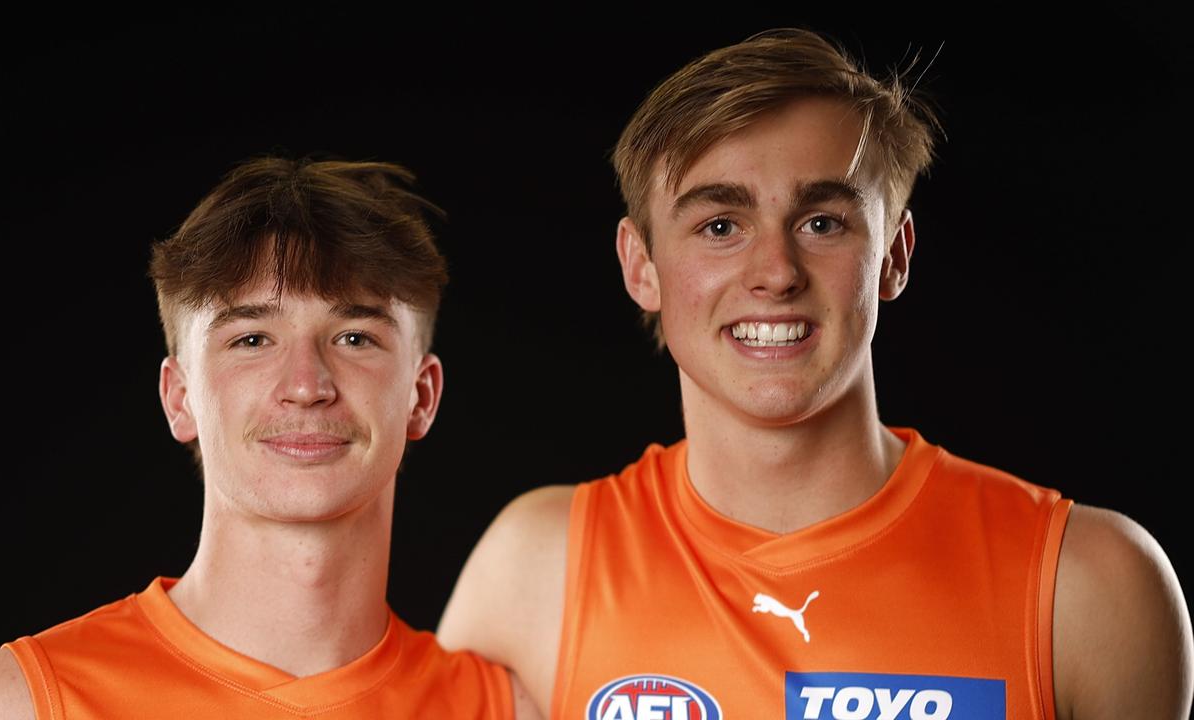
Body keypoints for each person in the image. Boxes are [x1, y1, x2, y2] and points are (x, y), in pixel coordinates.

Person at [437, 29, 1193, 720]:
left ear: (893, 255)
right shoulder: (537, 570)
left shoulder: (1087, 586)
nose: (774, 272)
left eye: (822, 223)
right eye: (720, 226)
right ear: (641, 267)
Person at [0, 157, 517, 719]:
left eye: (354, 337)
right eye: (252, 340)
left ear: (423, 395)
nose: (307, 386)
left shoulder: (507, 710)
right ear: (179, 397)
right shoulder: (17, 706)